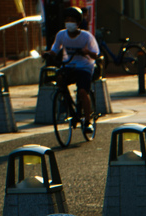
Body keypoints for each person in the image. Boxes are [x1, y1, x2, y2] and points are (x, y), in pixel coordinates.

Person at [45, 6, 99, 136]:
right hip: (69, 65)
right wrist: (47, 54)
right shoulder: (61, 35)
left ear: (78, 23)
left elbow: (96, 55)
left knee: (82, 91)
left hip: (85, 67)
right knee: (59, 79)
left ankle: (87, 121)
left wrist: (87, 52)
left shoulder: (86, 37)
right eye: (67, 20)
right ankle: (66, 102)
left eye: (72, 20)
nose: (69, 22)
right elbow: (55, 50)